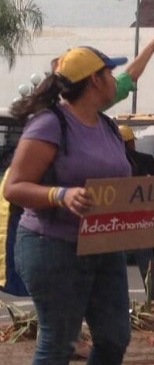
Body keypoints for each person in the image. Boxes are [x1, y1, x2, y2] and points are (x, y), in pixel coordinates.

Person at [4, 46, 133, 364]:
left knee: (115, 337)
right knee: (59, 342)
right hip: (54, 246)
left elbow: (118, 186)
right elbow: (13, 187)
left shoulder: (108, 126)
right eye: (109, 73)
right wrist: (60, 195)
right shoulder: (50, 124)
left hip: (104, 245)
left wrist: (146, 200)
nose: (115, 80)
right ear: (94, 80)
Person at [118, 125, 154, 300]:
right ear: (130, 142)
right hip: (141, 218)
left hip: (116, 218)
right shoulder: (145, 160)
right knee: (146, 260)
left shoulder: (111, 160)